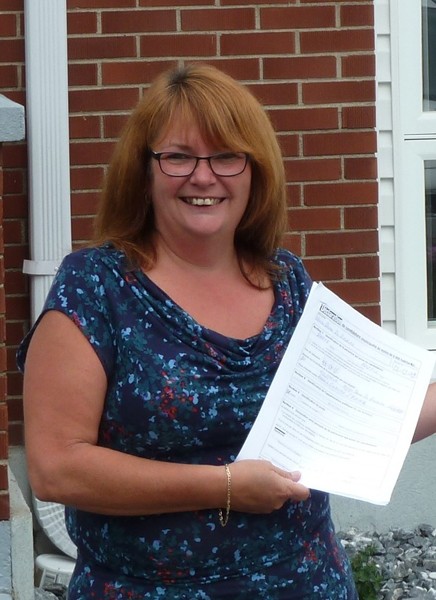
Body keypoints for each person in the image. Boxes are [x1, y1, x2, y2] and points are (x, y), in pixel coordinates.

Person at [18, 63, 368, 599]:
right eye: (179, 156)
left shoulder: (287, 280)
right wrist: (226, 486)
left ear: (254, 170)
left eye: (226, 156)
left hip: (310, 580)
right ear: (144, 171)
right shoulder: (95, 287)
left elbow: (355, 409)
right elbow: (56, 468)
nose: (204, 177)